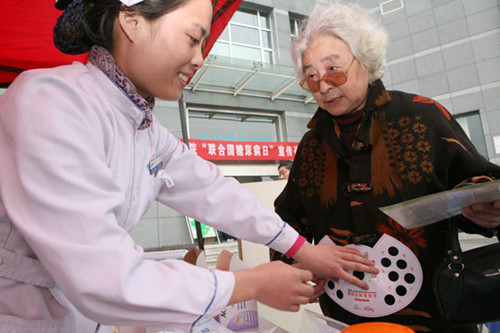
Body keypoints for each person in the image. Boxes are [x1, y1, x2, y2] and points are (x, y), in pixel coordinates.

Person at [0, 0, 379, 332]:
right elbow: (106, 278)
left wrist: (301, 247)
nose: (200, 57)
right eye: (193, 38)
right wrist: (250, 284)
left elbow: (213, 190)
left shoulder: (142, 127)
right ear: (131, 21)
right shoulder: (50, 102)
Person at [270, 2, 500, 333]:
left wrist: (487, 212)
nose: (323, 86)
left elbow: (477, 185)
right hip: (343, 318)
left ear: (365, 61)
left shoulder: (422, 117)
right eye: (311, 77)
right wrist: (294, 264)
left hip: (431, 315)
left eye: (334, 71)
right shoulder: (311, 145)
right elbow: (288, 219)